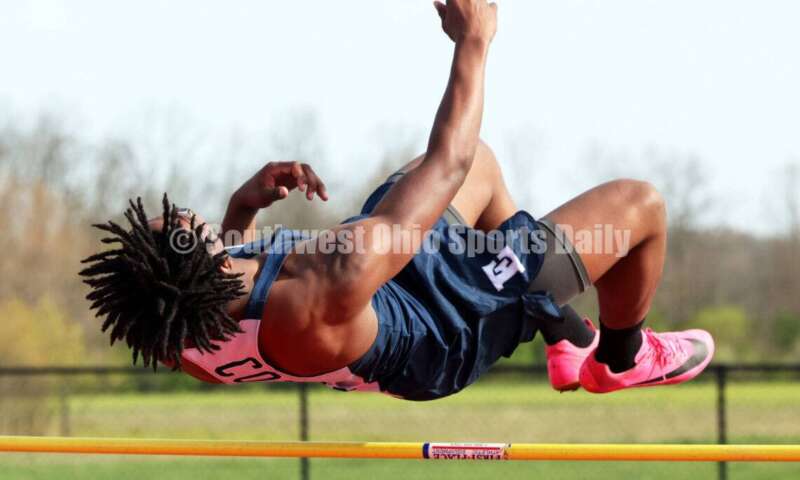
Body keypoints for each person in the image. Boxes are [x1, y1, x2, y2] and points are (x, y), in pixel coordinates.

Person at [80, 0, 713, 401]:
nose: (181, 216)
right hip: (443, 327)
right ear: (204, 260)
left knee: (485, 164)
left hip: (378, 295)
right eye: (183, 228)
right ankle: (619, 360)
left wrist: (240, 213)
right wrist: (474, 41)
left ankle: (558, 328)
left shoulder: (177, 335)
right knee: (641, 208)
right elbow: (446, 163)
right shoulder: (324, 280)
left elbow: (232, 301)